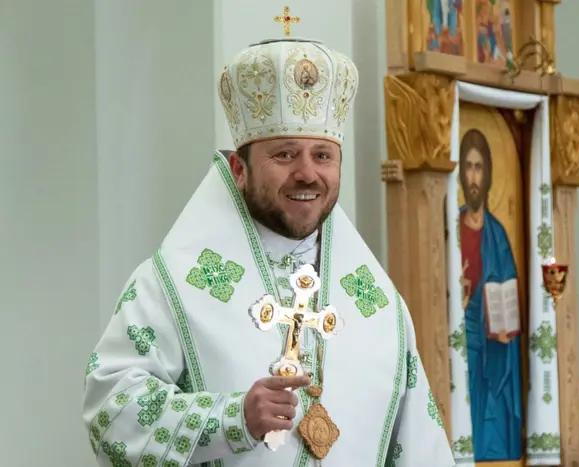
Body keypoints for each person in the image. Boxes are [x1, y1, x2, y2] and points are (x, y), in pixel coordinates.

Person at [82, 37, 456, 467]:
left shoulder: (380, 306)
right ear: (239, 170)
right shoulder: (171, 285)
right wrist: (230, 419)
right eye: (284, 154)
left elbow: (420, 446)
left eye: (323, 155)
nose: (307, 173)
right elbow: (109, 412)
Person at [458, 128, 523, 461]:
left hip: (493, 345)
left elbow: (508, 293)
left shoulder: (498, 235)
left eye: (479, 167)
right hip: (461, 343)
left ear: (488, 175)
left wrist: (507, 330)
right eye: (468, 166)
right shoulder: (450, 229)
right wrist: (459, 303)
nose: (473, 176)